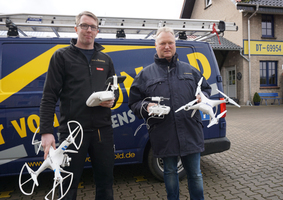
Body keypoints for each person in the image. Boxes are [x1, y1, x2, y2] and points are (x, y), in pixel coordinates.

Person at [39, 11, 116, 200]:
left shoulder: (105, 59)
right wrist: (46, 131)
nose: (88, 30)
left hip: (102, 131)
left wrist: (112, 99)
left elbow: (114, 89)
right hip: (72, 133)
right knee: (67, 184)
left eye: (93, 27)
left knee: (105, 183)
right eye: (84, 25)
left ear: (97, 31)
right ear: (76, 28)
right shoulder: (61, 57)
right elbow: (49, 95)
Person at [128, 27, 211, 200]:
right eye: (163, 43)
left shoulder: (190, 70)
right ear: (156, 45)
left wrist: (203, 97)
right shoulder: (145, 74)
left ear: (175, 44)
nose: (167, 46)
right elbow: (134, 103)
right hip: (163, 133)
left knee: (195, 174)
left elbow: (206, 89)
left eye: (170, 43)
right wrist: (146, 107)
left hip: (190, 130)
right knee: (170, 172)